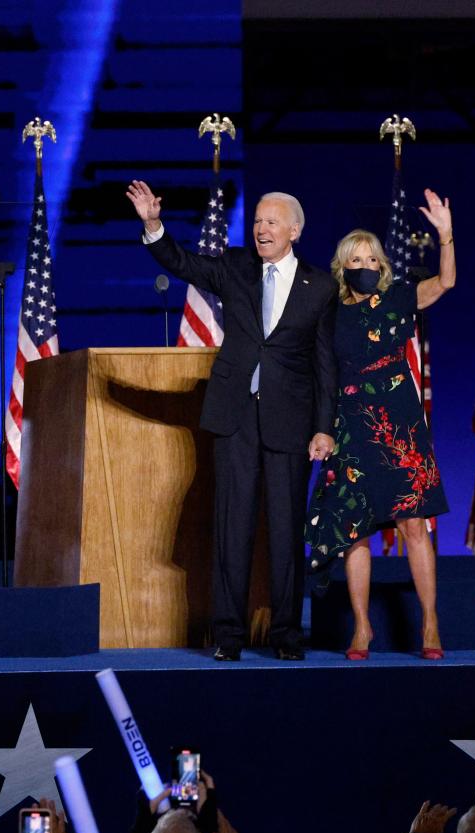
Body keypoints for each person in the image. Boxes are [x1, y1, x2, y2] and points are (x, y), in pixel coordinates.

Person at [126, 181, 338, 662]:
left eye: (271, 222)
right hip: (235, 417)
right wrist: (153, 225)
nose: (261, 229)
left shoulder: (320, 286)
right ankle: (228, 635)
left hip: (290, 422)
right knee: (232, 527)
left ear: (294, 231)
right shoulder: (236, 266)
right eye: (258, 221)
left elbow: (327, 366)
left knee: (286, 533)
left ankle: (286, 634)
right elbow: (183, 263)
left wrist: (325, 428)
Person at [305, 190, 456, 660]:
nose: (366, 263)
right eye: (357, 257)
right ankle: (362, 628)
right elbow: (324, 376)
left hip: (400, 421)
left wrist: (445, 235)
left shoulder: (398, 297)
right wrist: (323, 428)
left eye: (372, 256)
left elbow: (446, 282)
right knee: (355, 529)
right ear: (343, 265)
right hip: (351, 422)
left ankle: (430, 623)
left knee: (414, 524)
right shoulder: (329, 313)